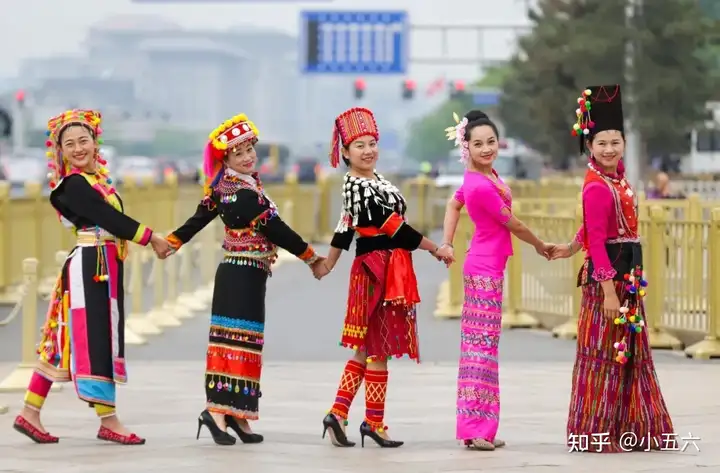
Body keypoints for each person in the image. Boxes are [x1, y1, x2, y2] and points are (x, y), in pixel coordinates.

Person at [160, 113, 326, 446]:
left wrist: (173, 242)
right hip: (238, 273)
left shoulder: (237, 185)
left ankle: (238, 414)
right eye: (239, 153)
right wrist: (311, 257)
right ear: (226, 158)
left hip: (251, 273)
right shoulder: (237, 193)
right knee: (230, 343)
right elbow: (274, 229)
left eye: (251, 149)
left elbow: (198, 219)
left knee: (247, 344)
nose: (249, 156)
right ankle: (217, 412)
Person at [12, 109, 169, 445]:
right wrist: (151, 236)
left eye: (84, 140)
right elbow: (106, 218)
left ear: (96, 142)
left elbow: (110, 218)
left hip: (103, 264)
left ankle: (30, 412)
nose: (78, 148)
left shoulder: (95, 182)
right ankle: (109, 420)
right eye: (70, 144)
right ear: (61, 151)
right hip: (91, 266)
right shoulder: (74, 185)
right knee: (97, 338)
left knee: (65, 339)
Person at [550, 84, 674, 453]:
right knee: (604, 359)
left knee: (627, 357)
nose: (609, 149)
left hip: (628, 283)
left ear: (623, 143)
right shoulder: (596, 186)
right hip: (610, 285)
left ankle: (628, 429)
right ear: (590, 146)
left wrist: (571, 246)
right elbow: (600, 241)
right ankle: (596, 434)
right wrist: (607, 292)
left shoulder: (616, 179)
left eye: (615, 141)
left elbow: (592, 229)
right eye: (602, 142)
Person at [313, 107, 446, 449]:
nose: (368, 150)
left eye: (372, 143)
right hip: (377, 270)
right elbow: (394, 228)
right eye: (359, 145)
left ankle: (338, 413)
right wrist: (434, 248)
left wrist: (327, 264)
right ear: (345, 152)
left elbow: (344, 228)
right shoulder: (358, 187)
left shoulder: (373, 182)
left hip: (381, 267)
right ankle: (373, 422)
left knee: (364, 349)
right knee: (378, 349)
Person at [436, 110, 553, 451]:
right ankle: (473, 428)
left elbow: (453, 205)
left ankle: (482, 428)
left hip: (488, 267)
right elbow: (513, 224)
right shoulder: (479, 184)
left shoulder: (482, 177)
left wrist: (448, 241)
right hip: (483, 271)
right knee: (479, 349)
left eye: (491, 142)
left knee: (485, 347)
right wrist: (541, 245)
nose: (486, 148)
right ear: (466, 147)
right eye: (478, 144)